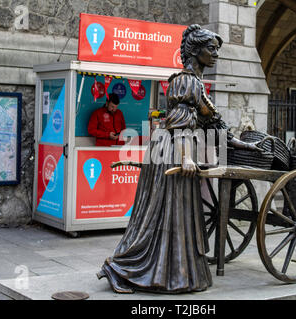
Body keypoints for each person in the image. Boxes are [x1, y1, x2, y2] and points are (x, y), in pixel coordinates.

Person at [96, 24, 263, 294]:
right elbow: (181, 125)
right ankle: (122, 268)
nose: (216, 54)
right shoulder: (184, 80)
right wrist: (186, 158)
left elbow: (215, 127)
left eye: (217, 49)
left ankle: (172, 273)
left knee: (174, 216)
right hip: (172, 152)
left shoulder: (197, 84)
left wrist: (245, 144)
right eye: (211, 49)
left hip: (175, 150)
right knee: (159, 216)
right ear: (196, 52)